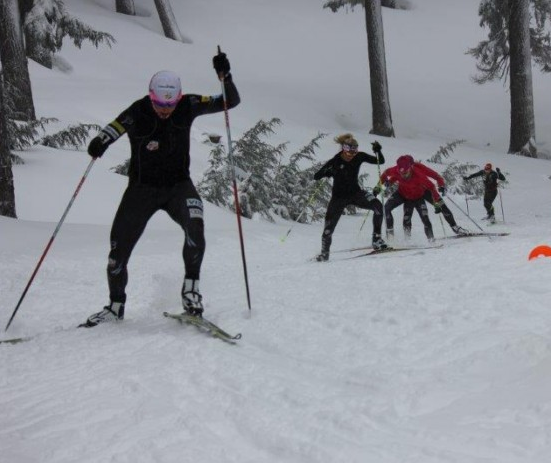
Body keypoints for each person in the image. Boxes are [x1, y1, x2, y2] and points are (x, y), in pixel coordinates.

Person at [81, 51, 240, 327]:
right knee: (117, 251)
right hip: (141, 189)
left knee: (196, 226)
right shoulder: (137, 111)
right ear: (150, 96)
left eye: (170, 104)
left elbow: (230, 101)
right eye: (158, 103)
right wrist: (100, 142)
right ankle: (115, 306)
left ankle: (191, 293)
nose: (164, 110)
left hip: (178, 186)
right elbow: (114, 128)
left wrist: (225, 77)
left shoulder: (188, 104)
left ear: (178, 98)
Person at [313, 134, 387, 261]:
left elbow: (380, 161)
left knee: (378, 207)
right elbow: (316, 176)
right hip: (338, 197)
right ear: (343, 148)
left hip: (356, 193)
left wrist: (378, 151)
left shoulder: (359, 156)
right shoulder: (335, 161)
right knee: (328, 228)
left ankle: (376, 239)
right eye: (349, 151)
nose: (351, 154)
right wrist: (328, 172)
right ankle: (324, 254)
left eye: (354, 151)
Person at [395, 155, 469, 236]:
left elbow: (436, 176)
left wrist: (441, 185)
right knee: (408, 215)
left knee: (442, 206)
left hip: (426, 191)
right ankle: (407, 238)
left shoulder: (420, 167)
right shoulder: (401, 172)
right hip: (411, 194)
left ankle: (455, 227)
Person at [378, 155, 444, 242]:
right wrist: (379, 185)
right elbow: (385, 173)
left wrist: (436, 203)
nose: (403, 175)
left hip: (418, 197)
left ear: (410, 168)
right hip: (403, 195)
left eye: (405, 173)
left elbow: (432, 187)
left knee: (425, 218)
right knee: (388, 209)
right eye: (401, 173)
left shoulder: (419, 175)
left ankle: (431, 239)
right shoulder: (395, 170)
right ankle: (393, 237)